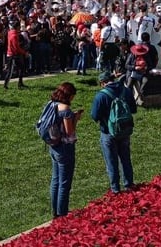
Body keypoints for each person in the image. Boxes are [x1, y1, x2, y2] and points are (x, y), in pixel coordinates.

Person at [90, 70, 137, 194]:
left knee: (111, 162)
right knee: (126, 159)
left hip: (108, 132)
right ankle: (129, 184)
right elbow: (133, 109)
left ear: (103, 83)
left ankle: (116, 189)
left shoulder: (101, 95)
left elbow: (94, 116)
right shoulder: (126, 90)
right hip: (125, 130)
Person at [47, 81, 83, 218]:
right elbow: (69, 131)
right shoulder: (66, 110)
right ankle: (62, 213)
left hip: (53, 146)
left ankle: (55, 211)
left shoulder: (51, 105)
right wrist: (76, 119)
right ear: (69, 95)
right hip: (65, 148)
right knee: (64, 183)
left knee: (55, 180)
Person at [3, 20, 28, 89]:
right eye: (19, 26)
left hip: (14, 53)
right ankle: (5, 85)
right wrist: (24, 53)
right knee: (10, 70)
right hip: (13, 54)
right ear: (17, 27)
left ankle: (20, 83)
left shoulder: (10, 32)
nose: (20, 28)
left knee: (21, 68)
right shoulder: (14, 35)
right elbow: (16, 47)